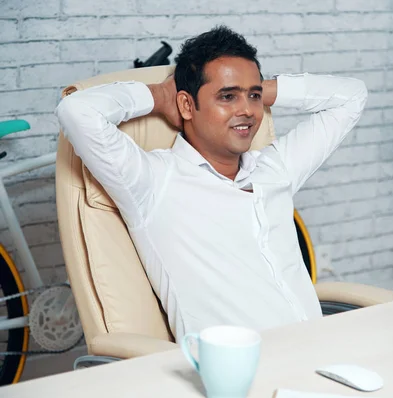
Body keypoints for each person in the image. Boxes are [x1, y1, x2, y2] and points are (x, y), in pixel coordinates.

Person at [56, 26, 368, 341]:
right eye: (227, 96)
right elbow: (76, 111)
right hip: (245, 374)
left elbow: (352, 97)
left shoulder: (275, 168)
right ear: (187, 105)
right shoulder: (154, 182)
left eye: (253, 97)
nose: (247, 110)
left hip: (321, 355)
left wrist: (260, 89)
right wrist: (161, 96)